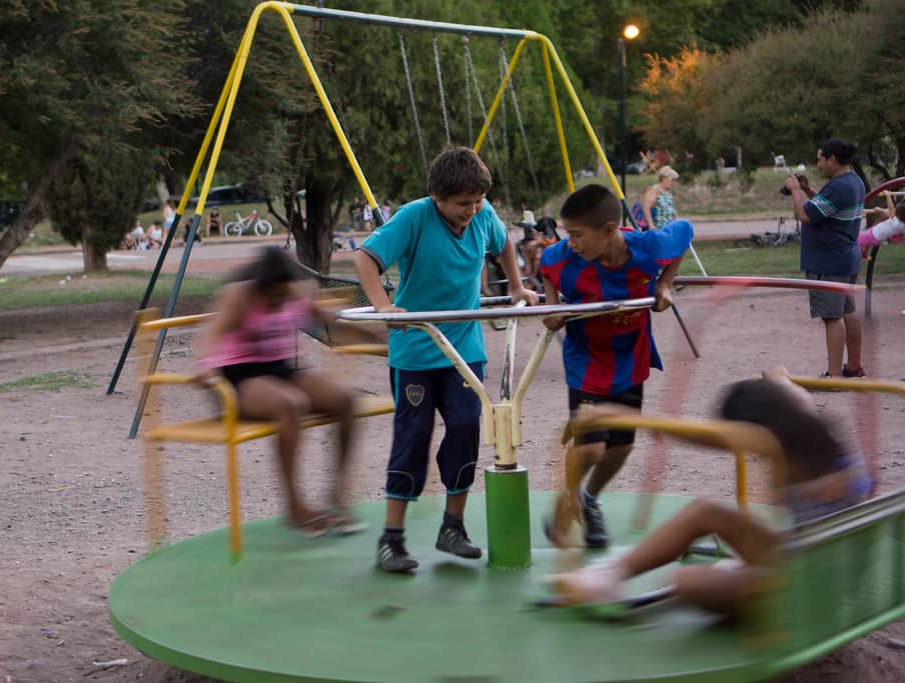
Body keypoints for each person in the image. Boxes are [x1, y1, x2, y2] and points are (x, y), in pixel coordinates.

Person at [546, 368, 872, 619]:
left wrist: (621, 416)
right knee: (706, 514)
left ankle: (609, 578)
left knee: (689, 582)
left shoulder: (780, 450)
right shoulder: (808, 425)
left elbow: (711, 437)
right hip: (811, 562)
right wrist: (778, 378)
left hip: (811, 589)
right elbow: (788, 389)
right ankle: (606, 578)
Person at [353, 146, 539, 573]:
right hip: (417, 352)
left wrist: (516, 287)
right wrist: (383, 306)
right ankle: (392, 539)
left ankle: (452, 527)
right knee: (413, 435)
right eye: (462, 204)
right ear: (437, 197)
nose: (471, 211)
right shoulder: (414, 217)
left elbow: (504, 244)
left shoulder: (483, 216)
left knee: (465, 427)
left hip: (463, 350)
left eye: (477, 201)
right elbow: (364, 258)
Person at [540, 183, 693, 549]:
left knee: (621, 447)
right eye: (567, 234)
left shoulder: (648, 249)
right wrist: (551, 306)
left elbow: (684, 232)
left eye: (577, 235)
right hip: (586, 363)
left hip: (629, 360)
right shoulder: (565, 258)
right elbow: (546, 265)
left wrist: (665, 284)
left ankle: (589, 499)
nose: (570, 242)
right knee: (591, 447)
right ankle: (567, 499)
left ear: (609, 230)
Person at [194, 246, 376, 536]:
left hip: (280, 369)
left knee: (346, 399)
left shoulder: (295, 291)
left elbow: (333, 321)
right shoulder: (240, 295)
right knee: (291, 404)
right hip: (237, 377)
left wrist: (382, 336)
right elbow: (211, 332)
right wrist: (204, 365)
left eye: (284, 293)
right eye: (274, 295)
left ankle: (337, 494)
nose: (280, 300)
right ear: (262, 287)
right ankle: (294, 506)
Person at [783, 139, 865, 379]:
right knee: (848, 312)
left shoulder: (838, 186)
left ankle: (834, 375)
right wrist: (808, 190)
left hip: (828, 262)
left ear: (832, 159)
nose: (818, 164)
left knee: (832, 317)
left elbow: (805, 215)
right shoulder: (854, 181)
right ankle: (854, 367)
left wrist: (795, 190)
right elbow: (828, 208)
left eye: (821, 159)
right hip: (846, 258)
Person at [641, 165, 680, 231]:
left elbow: (672, 209)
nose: (674, 183)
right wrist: (651, 225)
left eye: (675, 180)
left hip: (668, 228)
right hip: (657, 228)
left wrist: (678, 221)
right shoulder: (654, 190)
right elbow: (646, 207)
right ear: (664, 179)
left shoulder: (668, 192)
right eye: (672, 180)